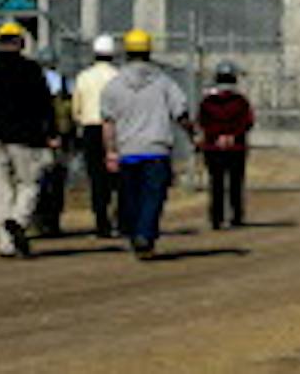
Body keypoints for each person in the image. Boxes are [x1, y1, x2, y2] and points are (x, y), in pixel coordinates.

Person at [100, 29, 195, 259]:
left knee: (131, 198)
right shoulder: (163, 82)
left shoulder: (113, 85)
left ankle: (136, 235)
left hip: (127, 150)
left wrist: (111, 151)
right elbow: (181, 112)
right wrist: (192, 133)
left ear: (126, 52)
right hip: (156, 150)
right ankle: (145, 236)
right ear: (149, 52)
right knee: (152, 197)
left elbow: (108, 122)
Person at [0, 20, 57, 258]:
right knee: (29, 184)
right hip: (26, 138)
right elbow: (45, 104)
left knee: (0, 189)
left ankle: (5, 244)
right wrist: (51, 133)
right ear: (20, 42)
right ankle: (18, 220)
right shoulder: (31, 69)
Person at [70, 34, 121, 237]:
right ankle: (118, 218)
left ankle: (101, 222)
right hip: (115, 128)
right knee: (116, 177)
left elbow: (76, 108)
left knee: (96, 177)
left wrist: (80, 120)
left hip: (90, 128)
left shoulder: (84, 77)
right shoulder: (118, 76)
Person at [196, 61, 255, 230]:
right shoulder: (241, 101)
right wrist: (232, 136)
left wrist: (217, 137)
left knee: (216, 183)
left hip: (213, 148)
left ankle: (217, 218)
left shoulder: (208, 102)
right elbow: (248, 122)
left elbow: (203, 122)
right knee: (236, 183)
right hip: (236, 148)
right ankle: (236, 216)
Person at [31, 48, 73, 238]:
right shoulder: (63, 83)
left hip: (37, 139)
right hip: (60, 137)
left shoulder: (32, 82)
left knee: (36, 180)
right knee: (57, 181)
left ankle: (38, 220)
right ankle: (53, 221)